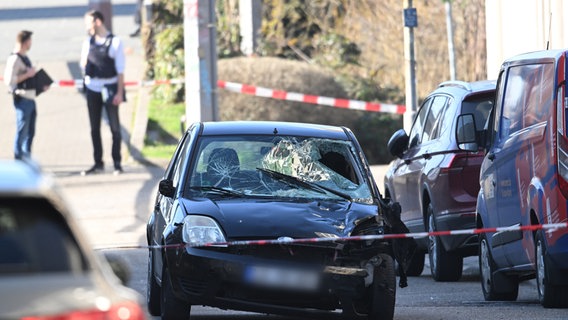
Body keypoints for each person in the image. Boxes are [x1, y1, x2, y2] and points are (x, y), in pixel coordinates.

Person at [80, 10, 126, 175]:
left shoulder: (115, 42)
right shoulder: (88, 42)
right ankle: (98, 163)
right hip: (92, 88)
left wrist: (119, 93)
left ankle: (117, 163)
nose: (87, 27)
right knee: (94, 128)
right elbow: (83, 65)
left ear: (98, 22)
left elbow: (120, 71)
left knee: (114, 127)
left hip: (110, 88)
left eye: (89, 23)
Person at [3, 30, 44, 160]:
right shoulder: (15, 59)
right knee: (22, 132)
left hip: (30, 99)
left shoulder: (25, 57)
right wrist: (27, 74)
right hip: (22, 100)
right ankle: (19, 160)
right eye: (29, 41)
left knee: (30, 133)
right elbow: (9, 80)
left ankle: (27, 159)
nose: (31, 44)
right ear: (25, 42)